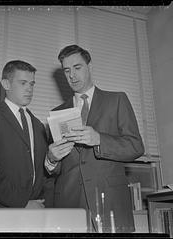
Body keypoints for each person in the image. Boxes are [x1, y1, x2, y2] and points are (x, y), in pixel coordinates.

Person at [45, 45, 145, 233]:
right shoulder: (57, 114)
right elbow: (56, 169)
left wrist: (100, 139)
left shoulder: (117, 100)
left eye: (77, 67)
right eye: (67, 71)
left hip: (110, 203)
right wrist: (51, 159)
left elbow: (136, 146)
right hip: (69, 205)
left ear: (90, 67)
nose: (72, 76)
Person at [0, 60, 53, 225]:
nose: (29, 88)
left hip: (35, 215)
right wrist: (22, 203)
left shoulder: (38, 125)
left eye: (32, 83)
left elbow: (43, 174)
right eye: (23, 83)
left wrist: (45, 205)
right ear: (6, 84)